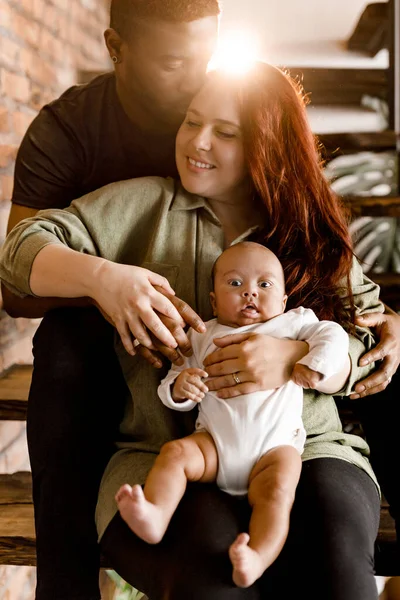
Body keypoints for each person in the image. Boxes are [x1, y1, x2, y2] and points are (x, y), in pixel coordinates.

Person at [0, 62, 386, 600]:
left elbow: (371, 337)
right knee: (211, 583)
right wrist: (105, 279)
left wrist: (294, 355)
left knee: (338, 570)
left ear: (266, 145)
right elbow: (17, 251)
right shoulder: (143, 206)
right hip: (168, 453)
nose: (197, 142)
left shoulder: (307, 230)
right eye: (190, 121)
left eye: (225, 132)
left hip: (306, 451)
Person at [116, 242, 351, 589]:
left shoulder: (293, 324)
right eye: (235, 284)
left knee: (278, 493)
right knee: (176, 454)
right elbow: (169, 383)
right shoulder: (202, 335)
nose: (250, 293)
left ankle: (257, 557)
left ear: (285, 300)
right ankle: (155, 514)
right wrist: (181, 387)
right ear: (213, 301)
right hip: (214, 447)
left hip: (274, 450)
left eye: (265, 285)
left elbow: (333, 335)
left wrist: (312, 365)